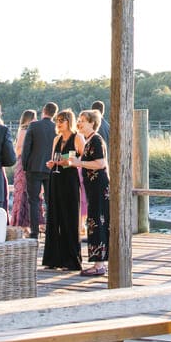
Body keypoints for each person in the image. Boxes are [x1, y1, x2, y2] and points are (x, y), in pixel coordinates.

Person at [41, 110, 82, 272]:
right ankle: (52, 259)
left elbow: (83, 160)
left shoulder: (77, 138)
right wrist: (52, 163)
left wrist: (69, 162)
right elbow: (54, 158)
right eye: (57, 120)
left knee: (69, 218)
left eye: (62, 120)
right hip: (56, 178)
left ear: (69, 122)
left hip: (70, 180)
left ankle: (71, 260)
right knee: (54, 217)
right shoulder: (56, 139)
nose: (58, 123)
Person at [71, 110, 108, 277]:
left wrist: (80, 162)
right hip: (93, 188)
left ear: (92, 123)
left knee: (97, 222)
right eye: (79, 120)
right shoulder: (89, 141)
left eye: (83, 121)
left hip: (98, 188)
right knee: (94, 222)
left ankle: (99, 264)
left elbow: (101, 163)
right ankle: (98, 262)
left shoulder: (96, 140)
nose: (79, 123)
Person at [18, 103, 57, 238]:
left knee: (33, 201)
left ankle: (34, 232)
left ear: (43, 111)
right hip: (51, 168)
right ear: (54, 114)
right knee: (50, 200)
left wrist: (25, 166)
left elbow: (26, 149)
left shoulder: (34, 126)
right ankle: (51, 230)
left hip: (34, 168)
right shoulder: (56, 128)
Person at [9, 110, 38, 231]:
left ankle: (27, 224)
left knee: (28, 193)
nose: (36, 120)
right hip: (23, 163)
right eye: (35, 117)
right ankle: (21, 224)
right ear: (29, 119)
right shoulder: (23, 131)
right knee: (22, 193)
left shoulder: (32, 131)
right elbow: (18, 150)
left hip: (31, 164)